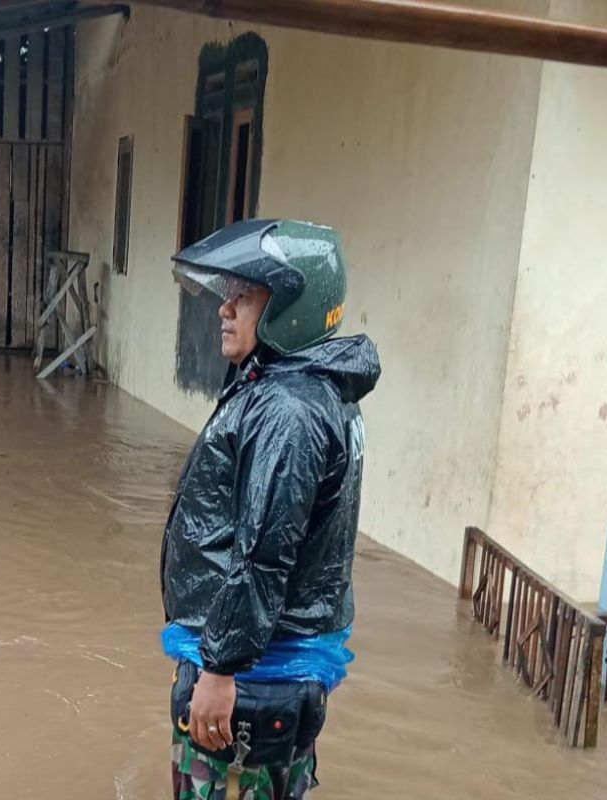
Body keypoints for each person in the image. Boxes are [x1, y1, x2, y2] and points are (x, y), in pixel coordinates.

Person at [161, 219, 381, 800]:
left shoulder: (288, 409)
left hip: (254, 676)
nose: (224, 310)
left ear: (291, 307)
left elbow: (263, 553)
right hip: (269, 671)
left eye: (245, 296)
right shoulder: (300, 388)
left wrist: (220, 670)